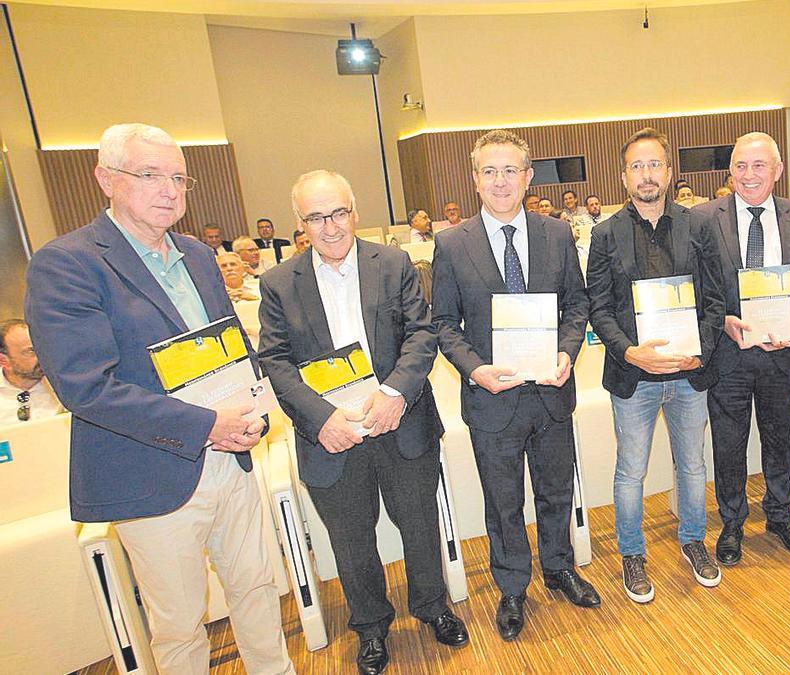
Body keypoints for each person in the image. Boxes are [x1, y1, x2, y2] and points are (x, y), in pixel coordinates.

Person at [24, 123, 293, 674]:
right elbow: (84, 385)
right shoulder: (68, 263)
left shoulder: (196, 254)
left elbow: (232, 344)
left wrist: (255, 409)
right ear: (105, 179)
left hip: (232, 459)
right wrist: (205, 425)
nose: (169, 190)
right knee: (180, 623)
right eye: (149, 175)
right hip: (151, 471)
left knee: (260, 590)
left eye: (178, 177)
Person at [258, 171, 467, 673]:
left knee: (419, 526)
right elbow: (276, 362)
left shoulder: (393, 263)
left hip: (402, 422)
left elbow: (421, 334)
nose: (330, 227)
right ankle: (372, 628)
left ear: (354, 213)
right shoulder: (279, 283)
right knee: (352, 542)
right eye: (316, 217)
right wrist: (322, 418)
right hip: (332, 436)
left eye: (338, 213)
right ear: (300, 225)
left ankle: (433, 607)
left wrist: (395, 392)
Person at [432, 130, 598, 641]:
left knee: (555, 490)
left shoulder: (555, 234)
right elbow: (443, 324)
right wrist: (475, 369)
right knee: (502, 501)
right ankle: (511, 587)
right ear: (475, 179)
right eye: (490, 171)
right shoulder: (451, 244)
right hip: (492, 399)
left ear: (528, 177)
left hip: (551, 392)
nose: (501, 181)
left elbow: (577, 305)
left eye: (511, 171)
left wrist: (568, 352)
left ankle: (559, 567)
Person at [586, 127, 725, 603]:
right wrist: (628, 351)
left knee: (691, 465)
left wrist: (700, 350)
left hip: (690, 374)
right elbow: (598, 308)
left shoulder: (699, 225)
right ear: (624, 176)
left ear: (669, 172)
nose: (647, 174)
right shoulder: (604, 234)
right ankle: (632, 552)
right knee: (631, 472)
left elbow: (715, 299)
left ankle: (693, 542)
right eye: (636, 166)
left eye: (655, 165)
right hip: (633, 377)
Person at [692, 132, 790, 567]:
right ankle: (731, 522)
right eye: (740, 166)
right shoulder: (705, 218)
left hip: (782, 353)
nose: (748, 175)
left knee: (779, 437)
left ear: (778, 170)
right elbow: (699, 288)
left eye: (759, 166)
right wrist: (721, 322)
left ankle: (780, 515)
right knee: (729, 443)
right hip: (728, 356)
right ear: (730, 172)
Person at [0, 319, 63, 422]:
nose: (42, 356)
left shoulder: (64, 383)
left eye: (42, 348)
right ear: (3, 361)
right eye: (31, 351)